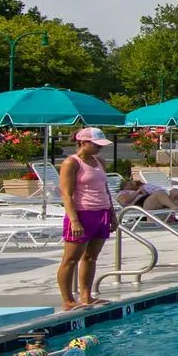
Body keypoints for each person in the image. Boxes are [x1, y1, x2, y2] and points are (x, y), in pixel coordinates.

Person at [57, 129, 119, 312]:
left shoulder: (100, 162)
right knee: (70, 259)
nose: (99, 148)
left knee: (91, 257)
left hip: (101, 213)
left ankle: (86, 296)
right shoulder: (71, 163)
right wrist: (74, 221)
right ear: (83, 142)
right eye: (96, 144)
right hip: (82, 214)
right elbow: (66, 195)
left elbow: (105, 189)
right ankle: (68, 300)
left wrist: (112, 214)